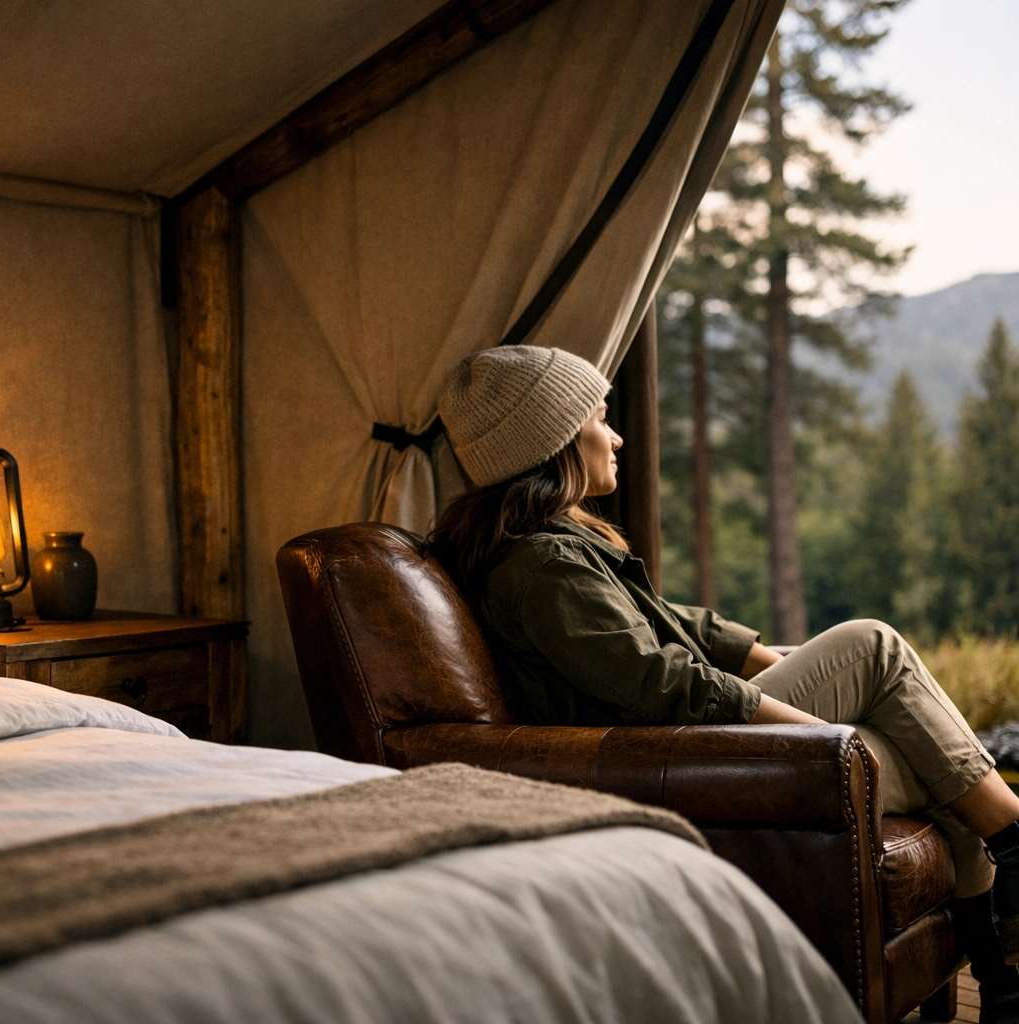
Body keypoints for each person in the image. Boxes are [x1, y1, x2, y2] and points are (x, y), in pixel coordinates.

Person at [429, 344, 1019, 1021]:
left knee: (949, 774)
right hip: (686, 749)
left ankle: (1002, 978)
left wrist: (799, 682)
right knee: (873, 646)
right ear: (556, 440)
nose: (616, 435)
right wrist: (818, 730)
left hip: (696, 737)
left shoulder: (561, 545)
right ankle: (1013, 856)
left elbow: (690, 629)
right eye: (599, 417)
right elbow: (658, 680)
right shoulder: (542, 567)